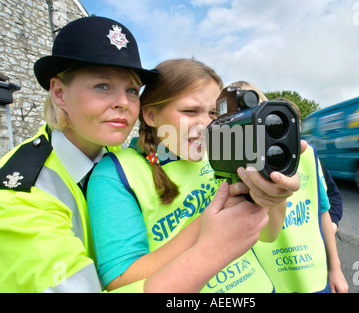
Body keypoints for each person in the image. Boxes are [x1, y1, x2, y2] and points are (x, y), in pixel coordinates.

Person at [87, 59, 303, 292]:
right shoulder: (115, 174)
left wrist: (273, 197)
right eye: (190, 111)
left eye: (213, 112)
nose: (205, 125)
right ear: (151, 116)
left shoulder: (224, 150)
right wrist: (209, 228)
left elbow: (268, 234)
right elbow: (120, 279)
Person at [0, 16, 160, 292]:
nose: (123, 103)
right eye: (103, 86)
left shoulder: (114, 154)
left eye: (131, 90)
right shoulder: (17, 198)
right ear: (59, 93)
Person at [228, 81, 348, 292]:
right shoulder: (232, 167)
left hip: (315, 276)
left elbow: (323, 211)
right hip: (272, 280)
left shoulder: (308, 154)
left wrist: (335, 268)